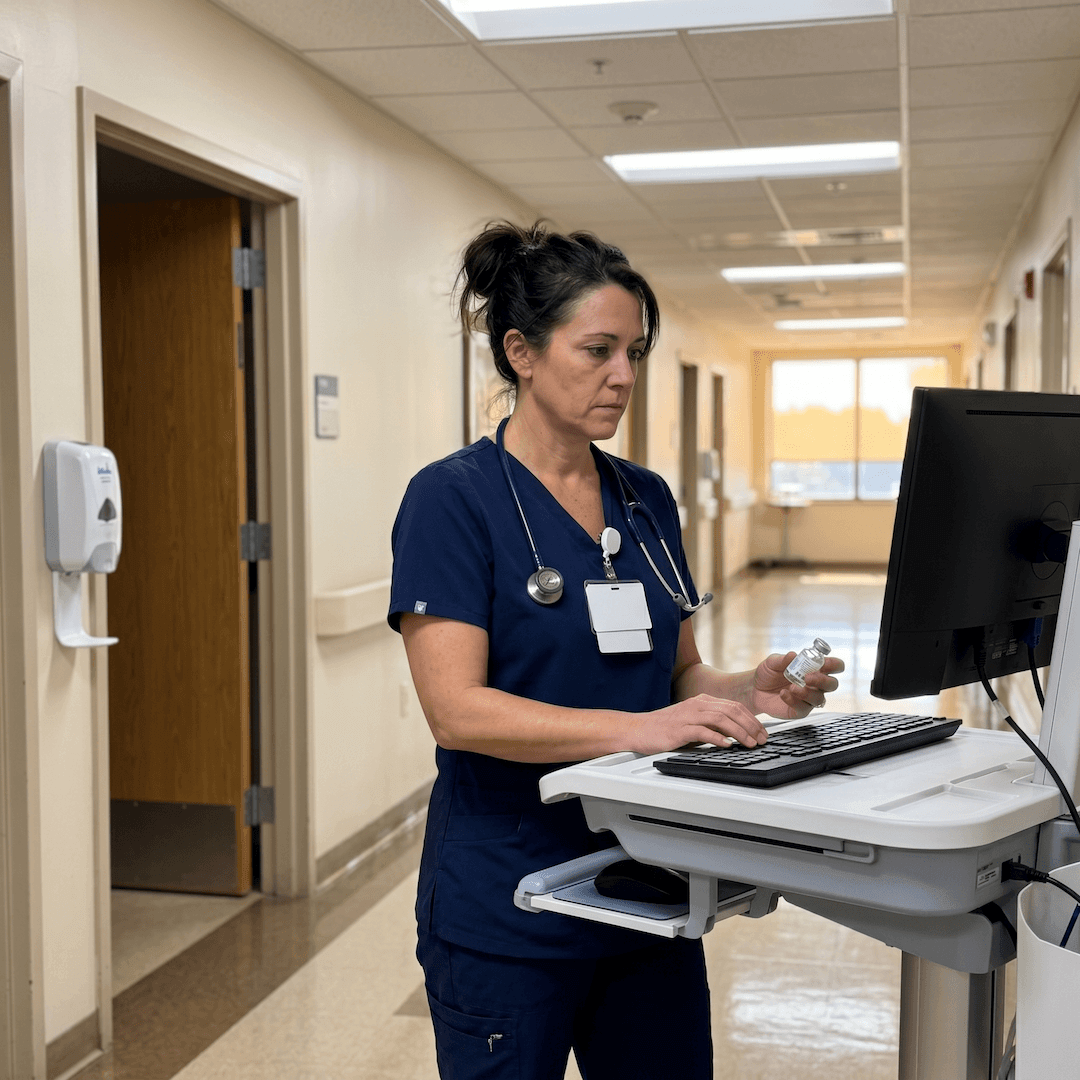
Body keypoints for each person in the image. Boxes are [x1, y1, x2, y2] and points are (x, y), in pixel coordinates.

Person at [388, 221, 844, 1080]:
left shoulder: (644, 499)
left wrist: (751, 691)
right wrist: (642, 730)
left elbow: (678, 675)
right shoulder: (453, 501)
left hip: (652, 884)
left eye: (634, 352)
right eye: (597, 350)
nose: (623, 376)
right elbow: (457, 710)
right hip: (510, 894)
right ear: (521, 352)